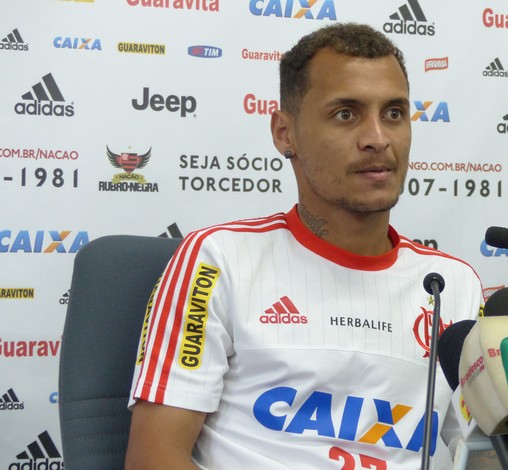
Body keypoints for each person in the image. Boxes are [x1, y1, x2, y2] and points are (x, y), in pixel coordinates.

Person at [125, 22, 483, 469]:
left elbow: (483, 451)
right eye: (346, 114)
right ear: (284, 133)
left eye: (393, 113)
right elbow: (153, 459)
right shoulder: (218, 259)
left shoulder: (453, 283)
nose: (378, 137)